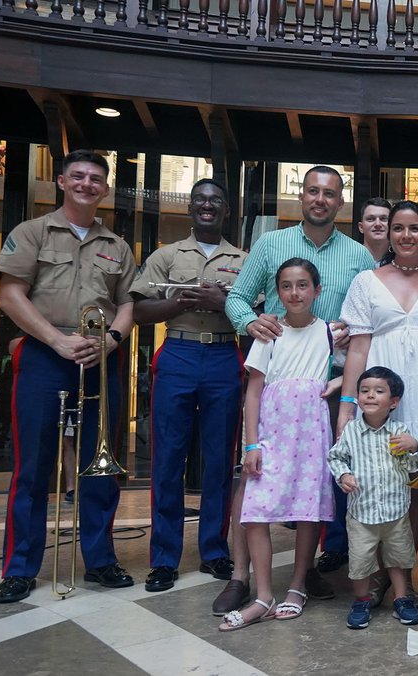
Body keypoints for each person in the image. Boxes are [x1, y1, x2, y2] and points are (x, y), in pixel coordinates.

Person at [220, 165, 373, 613]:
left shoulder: (359, 255)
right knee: (253, 480)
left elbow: (370, 315)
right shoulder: (271, 244)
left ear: (340, 201)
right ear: (301, 196)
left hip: (333, 383)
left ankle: (306, 574)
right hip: (275, 379)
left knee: (318, 481)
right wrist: (250, 322)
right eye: (312, 191)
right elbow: (236, 297)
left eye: (329, 193)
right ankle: (241, 576)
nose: (320, 199)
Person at [0, 149, 136, 603]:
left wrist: (111, 340)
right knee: (32, 467)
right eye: (78, 176)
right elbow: (11, 295)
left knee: (99, 465)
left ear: (105, 188)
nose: (86, 184)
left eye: (95, 179)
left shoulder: (118, 246)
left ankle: (100, 560)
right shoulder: (31, 232)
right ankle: (19, 568)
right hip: (44, 354)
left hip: (99, 358)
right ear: (61, 181)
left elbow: (128, 303)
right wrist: (56, 340)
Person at [131, 178, 246, 592]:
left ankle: (214, 551)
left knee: (219, 459)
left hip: (223, 355)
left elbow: (256, 312)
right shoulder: (166, 255)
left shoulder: (244, 259)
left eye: (216, 200)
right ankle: (164, 559)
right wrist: (177, 302)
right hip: (178, 352)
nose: (207, 205)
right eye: (200, 200)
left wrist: (222, 303)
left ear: (226, 210)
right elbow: (140, 310)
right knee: (167, 459)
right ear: (190, 208)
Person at [218, 258, 338, 631]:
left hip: (311, 435)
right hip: (272, 435)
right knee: (255, 511)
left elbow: (360, 362)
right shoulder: (269, 334)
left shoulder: (329, 332)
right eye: (286, 286)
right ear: (277, 292)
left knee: (307, 511)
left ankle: (298, 586)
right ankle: (264, 595)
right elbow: (253, 393)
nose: (294, 293)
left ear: (317, 290)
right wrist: (251, 446)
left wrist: (338, 385)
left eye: (303, 285)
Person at [339, 200, 418, 607]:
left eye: (414, 228)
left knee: (417, 483)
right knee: (377, 477)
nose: (405, 235)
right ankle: (378, 572)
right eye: (398, 227)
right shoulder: (366, 281)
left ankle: (400, 574)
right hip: (379, 389)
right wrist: (348, 405)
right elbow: (357, 348)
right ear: (388, 233)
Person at [328, 366, 418, 630]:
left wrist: (414, 447)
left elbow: (411, 466)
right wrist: (344, 475)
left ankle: (401, 598)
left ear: (393, 402)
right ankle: (361, 600)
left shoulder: (400, 431)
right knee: (360, 561)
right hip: (361, 512)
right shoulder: (350, 431)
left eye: (379, 391)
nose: (370, 395)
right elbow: (335, 457)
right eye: (364, 390)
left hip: (396, 511)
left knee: (399, 558)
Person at [356, 197, 392, 263]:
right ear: (361, 227)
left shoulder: (402, 262)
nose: (377, 224)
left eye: (383, 219)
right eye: (371, 219)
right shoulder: (348, 259)